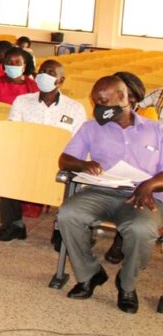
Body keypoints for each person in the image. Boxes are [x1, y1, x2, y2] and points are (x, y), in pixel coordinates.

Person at [57, 73, 163, 314]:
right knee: (68, 214)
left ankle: (127, 285)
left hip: (143, 197)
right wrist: (82, 165)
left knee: (141, 230)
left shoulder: (157, 130)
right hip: (101, 190)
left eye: (104, 101)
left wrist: (149, 184)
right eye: (96, 102)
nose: (99, 107)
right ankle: (90, 274)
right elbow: (64, 159)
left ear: (124, 98)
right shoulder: (90, 128)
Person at [0, 59, 86, 242]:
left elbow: (77, 143)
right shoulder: (22, 101)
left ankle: (60, 227)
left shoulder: (74, 108)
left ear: (61, 80)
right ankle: (13, 224)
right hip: (26, 157)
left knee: (73, 176)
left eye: (51, 73)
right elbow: (13, 132)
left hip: (58, 161)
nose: (44, 76)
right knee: (7, 167)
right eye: (42, 71)